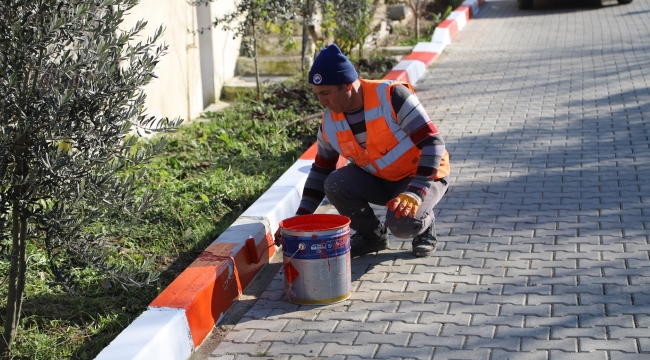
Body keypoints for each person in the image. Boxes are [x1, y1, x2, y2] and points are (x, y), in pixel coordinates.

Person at [287, 43, 450, 258]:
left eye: (325, 93)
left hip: (419, 176)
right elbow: (320, 171)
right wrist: (301, 217)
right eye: (317, 94)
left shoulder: (392, 96)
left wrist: (416, 191)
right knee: (335, 183)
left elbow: (433, 142)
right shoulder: (329, 122)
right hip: (381, 180)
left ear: (347, 86)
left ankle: (425, 225)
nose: (321, 102)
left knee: (403, 225)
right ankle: (372, 236)